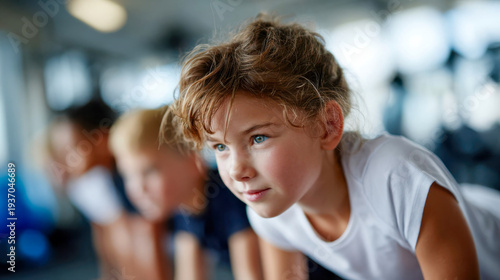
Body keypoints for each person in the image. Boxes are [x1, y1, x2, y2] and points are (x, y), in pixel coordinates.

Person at [166, 15, 500, 280]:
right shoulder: (269, 211)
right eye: (220, 147)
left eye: (258, 138)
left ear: (327, 126)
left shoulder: (395, 176)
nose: (236, 169)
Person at [109, 107, 263, 280]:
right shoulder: (184, 208)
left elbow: (251, 275)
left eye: (149, 171)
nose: (138, 189)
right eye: (127, 175)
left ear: (194, 162)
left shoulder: (229, 199)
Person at [45, 100, 169, 280]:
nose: (63, 161)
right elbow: (110, 261)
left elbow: (153, 268)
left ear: (102, 139)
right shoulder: (99, 184)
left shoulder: (136, 184)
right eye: (58, 151)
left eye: (70, 149)